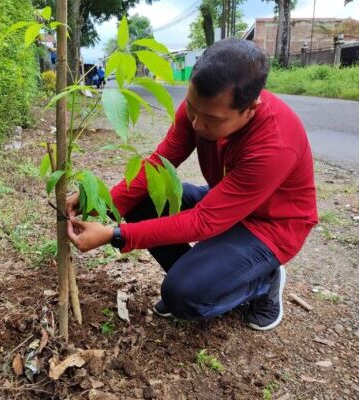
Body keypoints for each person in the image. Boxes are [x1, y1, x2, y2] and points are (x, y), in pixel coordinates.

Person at [66, 38, 318, 331]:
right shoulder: (200, 110)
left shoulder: (274, 144)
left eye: (212, 119)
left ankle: (262, 283)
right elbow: (159, 164)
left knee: (184, 296)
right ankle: (205, 278)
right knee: (143, 201)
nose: (196, 124)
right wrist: (102, 204)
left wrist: (115, 235)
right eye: (192, 108)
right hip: (224, 199)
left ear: (250, 109)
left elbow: (206, 220)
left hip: (270, 225)